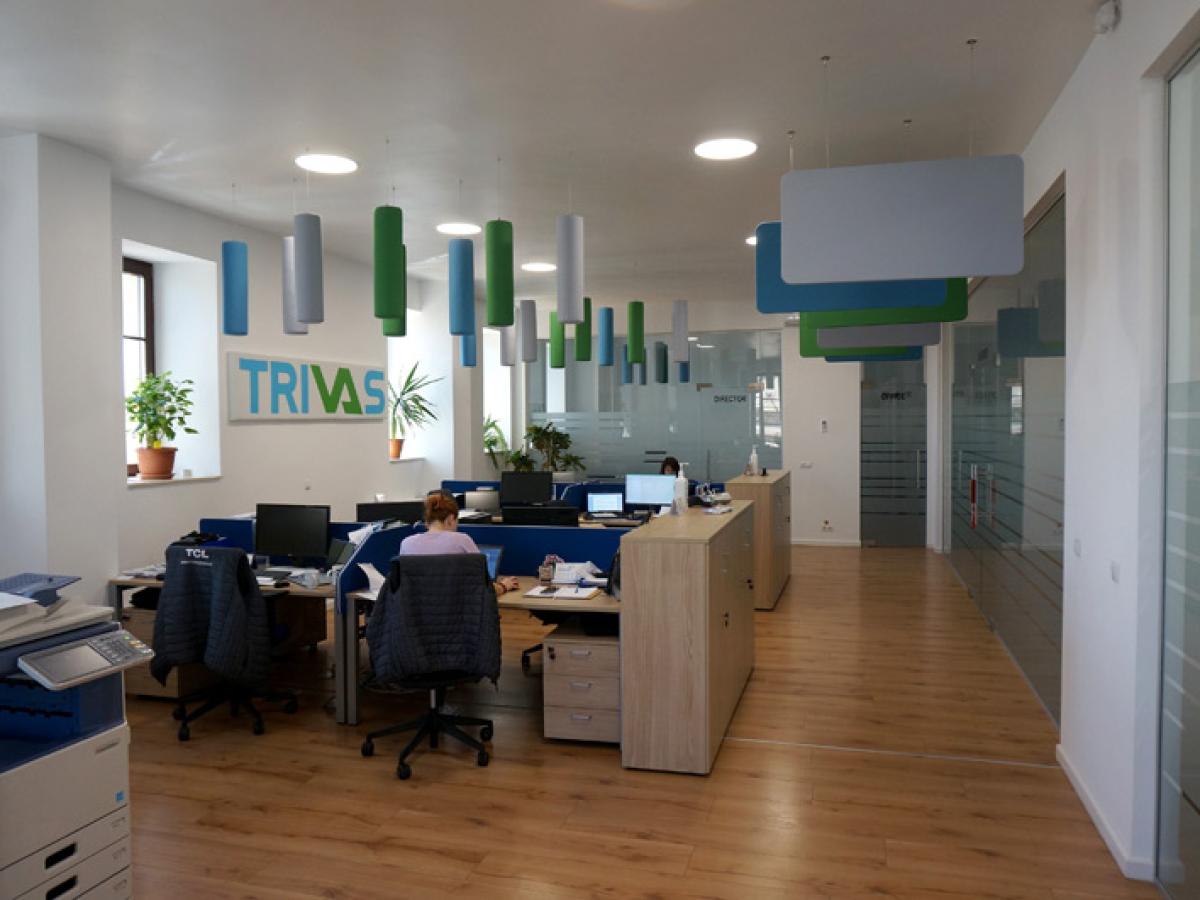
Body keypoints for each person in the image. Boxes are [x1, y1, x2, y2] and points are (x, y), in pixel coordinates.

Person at [398, 492, 521, 596]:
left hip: (417, 614)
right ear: (451, 519)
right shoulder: (462, 540)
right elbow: (484, 587)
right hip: (457, 613)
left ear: (427, 521)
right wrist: (504, 586)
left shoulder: (407, 544)